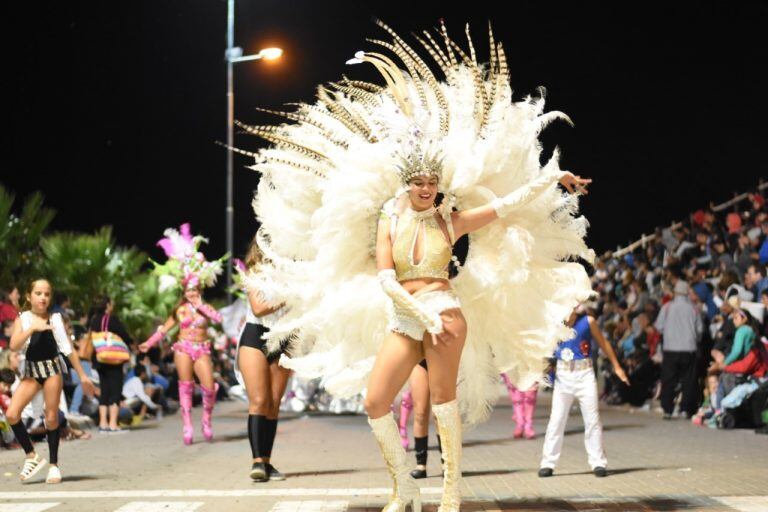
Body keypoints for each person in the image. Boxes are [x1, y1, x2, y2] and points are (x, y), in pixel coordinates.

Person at [244, 21, 596, 512]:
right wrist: (414, 310)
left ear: (438, 182)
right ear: (408, 183)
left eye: (433, 180)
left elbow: (508, 203)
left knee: (444, 403)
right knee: (375, 402)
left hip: (446, 311)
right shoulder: (388, 216)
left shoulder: (452, 221)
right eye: (419, 182)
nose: (426, 187)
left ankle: (450, 491)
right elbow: (387, 276)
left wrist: (555, 176)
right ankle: (403, 488)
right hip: (407, 314)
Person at [140, 224, 225, 445]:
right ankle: (187, 426)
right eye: (188, 290)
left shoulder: (204, 307)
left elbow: (219, 319)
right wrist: (148, 343)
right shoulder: (179, 309)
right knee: (185, 387)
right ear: (184, 290)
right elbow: (164, 328)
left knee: (208, 388)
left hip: (202, 348)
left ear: (200, 290)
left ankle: (206, 420)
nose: (191, 293)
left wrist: (202, 305)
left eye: (194, 290)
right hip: (183, 348)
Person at [4, 278, 94, 483]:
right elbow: (14, 346)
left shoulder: (55, 318)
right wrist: (31, 329)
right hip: (32, 372)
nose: (43, 297)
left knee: (51, 418)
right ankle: (31, 455)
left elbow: (67, 349)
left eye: (46, 294)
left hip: (52, 370)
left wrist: (82, 375)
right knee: (12, 414)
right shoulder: (23, 318)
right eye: (38, 293)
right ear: (29, 296)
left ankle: (54, 465)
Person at [538, 305, 629, 478]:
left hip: (585, 374)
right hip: (563, 375)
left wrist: (617, 366)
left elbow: (604, 343)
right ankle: (548, 463)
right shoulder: (555, 325)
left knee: (592, 419)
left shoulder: (588, 322)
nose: (568, 312)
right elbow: (545, 349)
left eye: (571, 308)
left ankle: (598, 462)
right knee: (556, 419)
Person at [235, 241, 292, 482]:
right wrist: (289, 298)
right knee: (259, 400)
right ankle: (257, 462)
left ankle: (267, 462)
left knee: (273, 403)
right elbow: (258, 308)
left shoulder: (291, 274)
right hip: (255, 336)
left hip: (282, 338)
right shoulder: (253, 274)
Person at [83, 295, 133, 433]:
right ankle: (113, 424)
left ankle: (103, 424)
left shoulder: (93, 320)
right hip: (113, 359)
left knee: (105, 391)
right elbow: (125, 335)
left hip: (99, 359)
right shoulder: (112, 320)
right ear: (107, 306)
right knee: (115, 391)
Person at [655, 280, 704, 419]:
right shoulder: (694, 308)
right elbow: (699, 330)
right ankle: (685, 409)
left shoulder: (667, 307)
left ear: (675, 293)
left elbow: (659, 326)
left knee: (669, 379)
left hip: (671, 349)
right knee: (688, 380)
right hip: (689, 349)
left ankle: (667, 409)